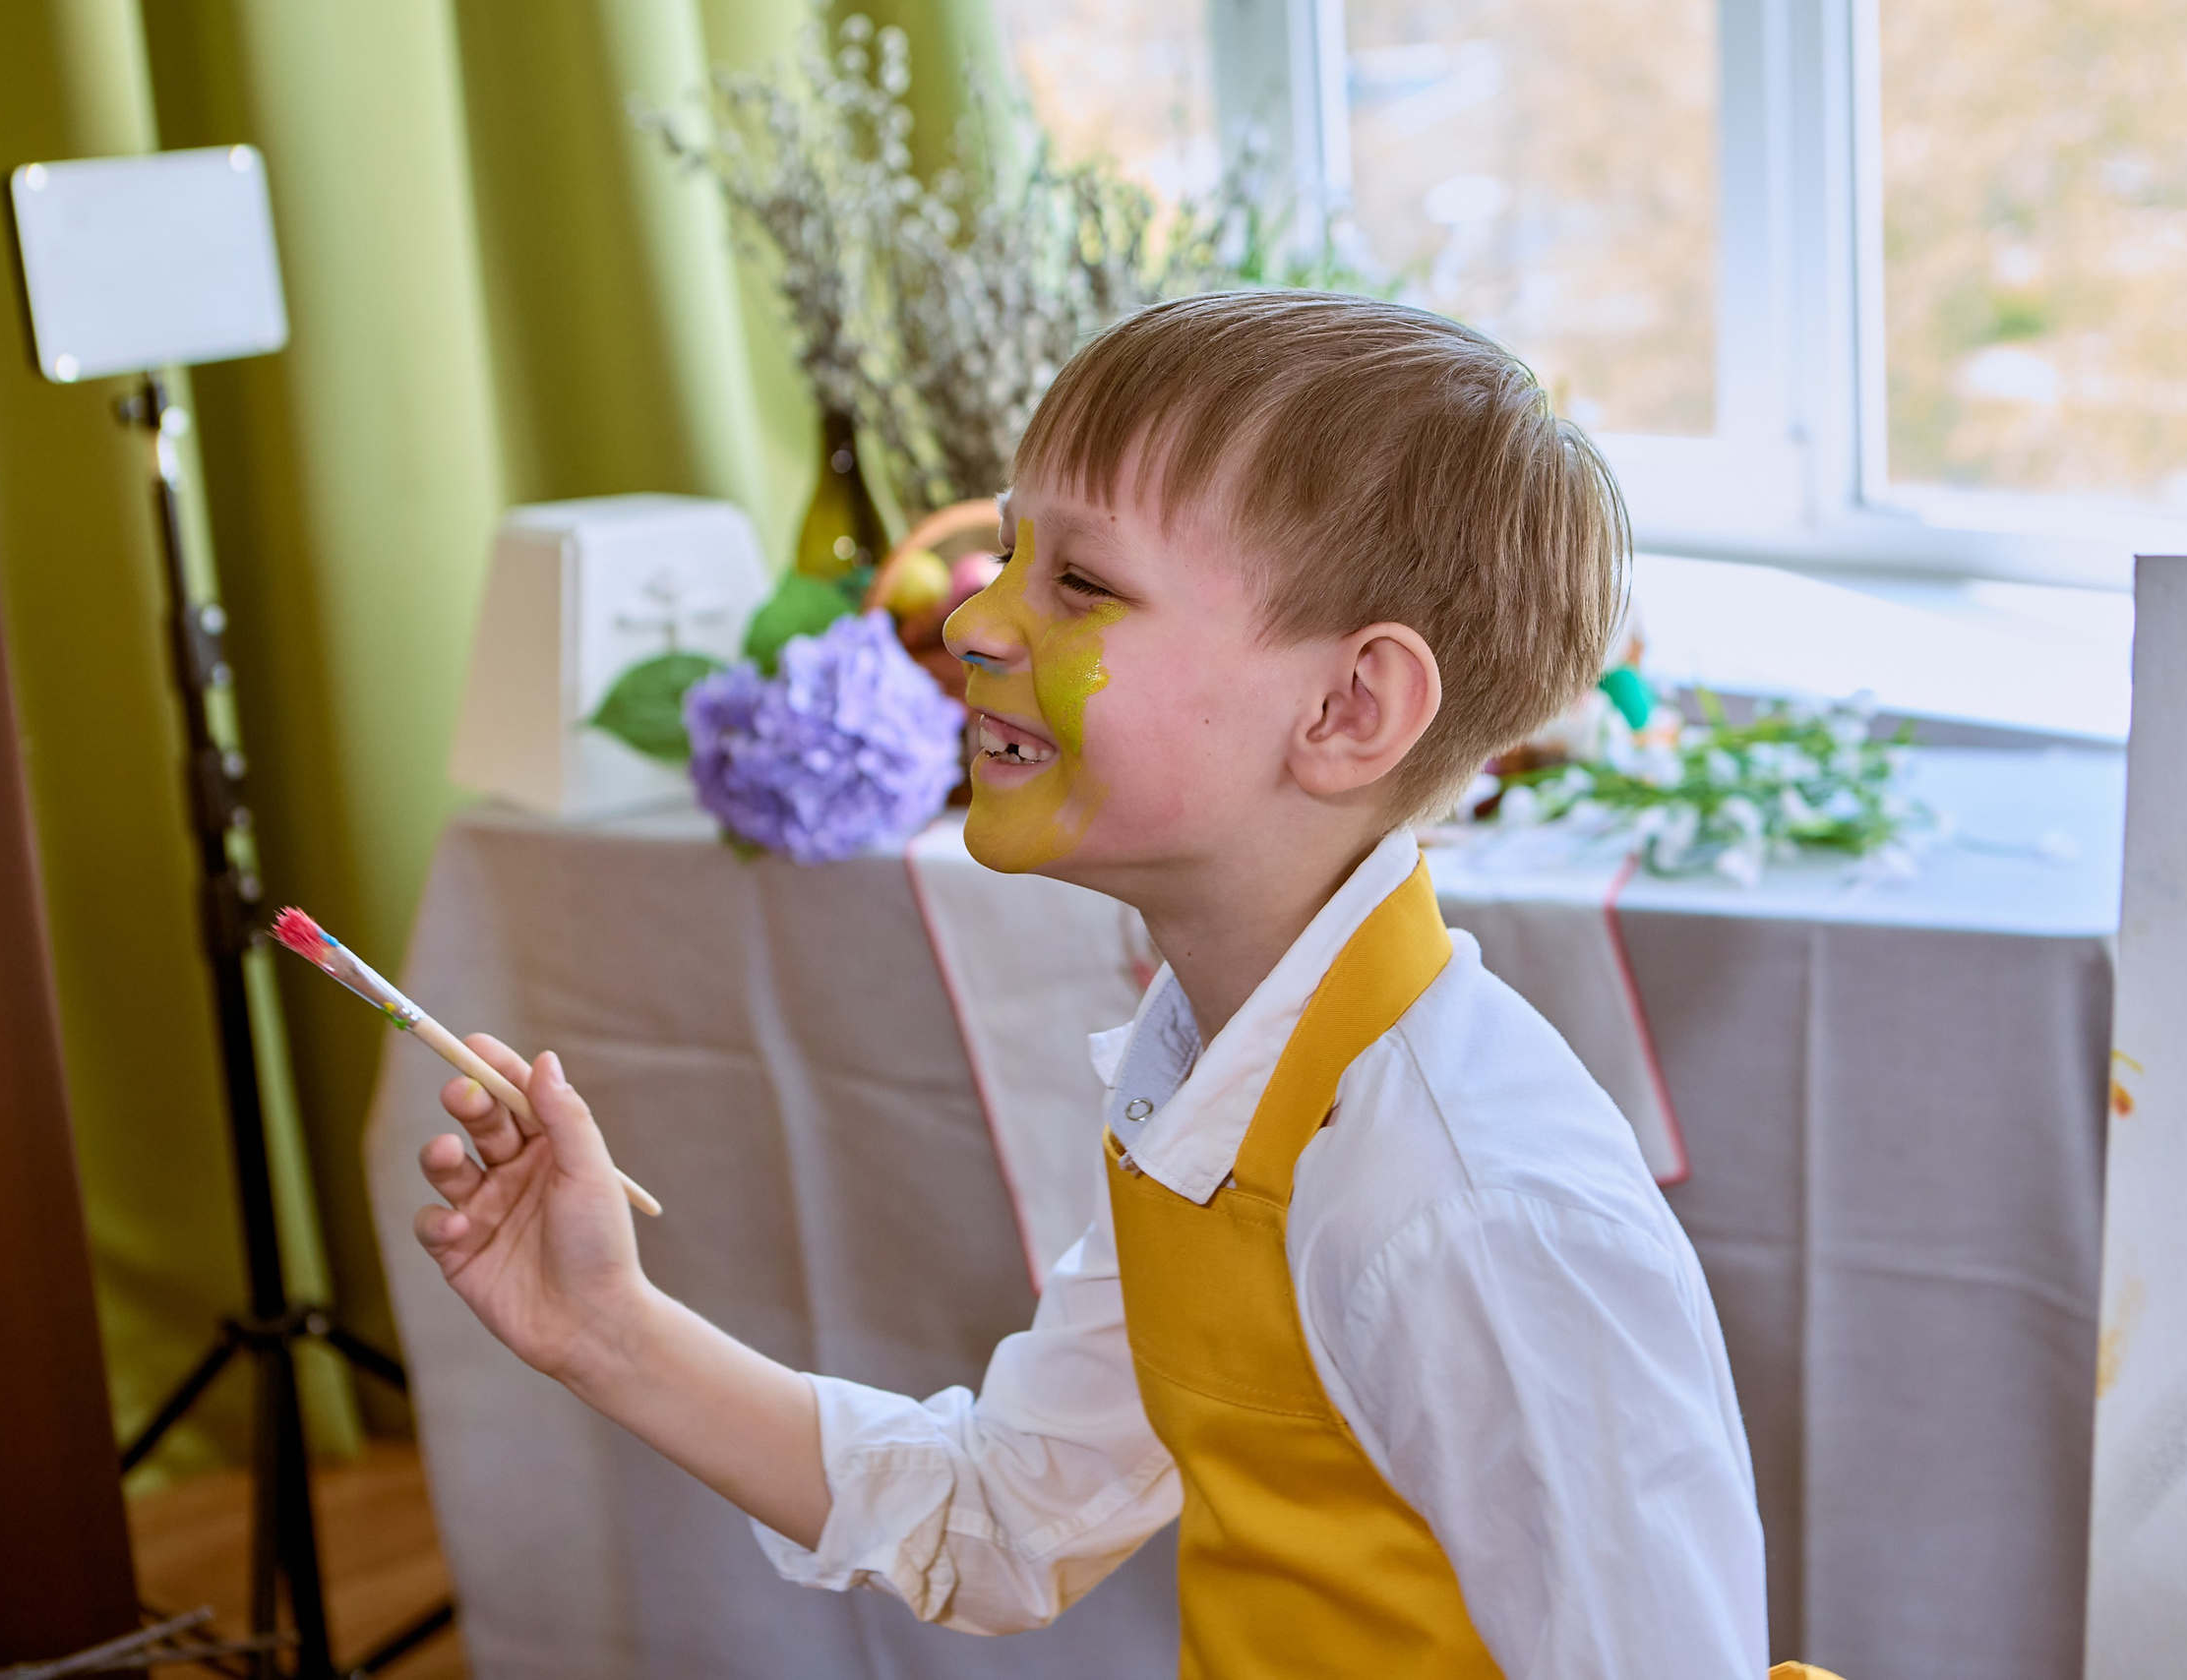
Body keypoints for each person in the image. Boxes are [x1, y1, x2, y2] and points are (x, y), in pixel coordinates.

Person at [413, 290, 1771, 1676]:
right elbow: (1008, 1518)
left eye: (1084, 583)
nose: (978, 620)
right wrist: (604, 1328)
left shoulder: (1466, 1205)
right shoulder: (1212, 1075)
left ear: (1349, 710)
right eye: (1007, 552)